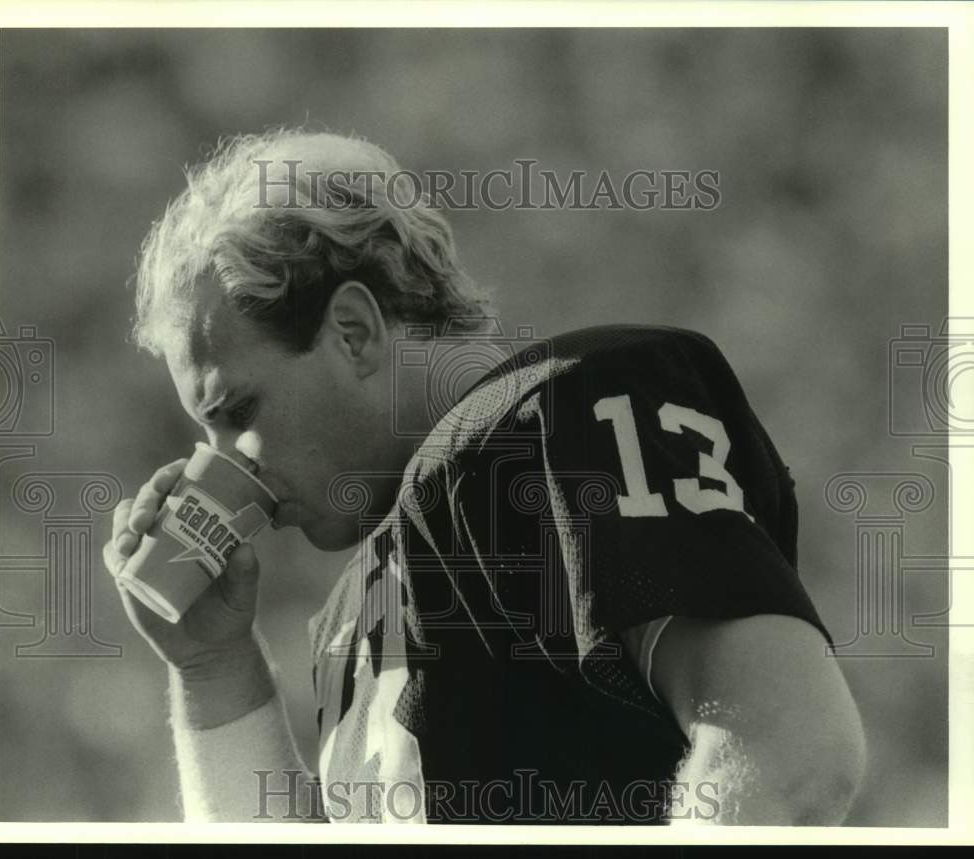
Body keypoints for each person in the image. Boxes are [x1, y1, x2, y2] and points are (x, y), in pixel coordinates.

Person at [103, 128, 866, 825]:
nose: (227, 462)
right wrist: (213, 668)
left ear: (354, 331)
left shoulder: (553, 413)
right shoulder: (361, 599)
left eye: (237, 409)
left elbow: (790, 753)